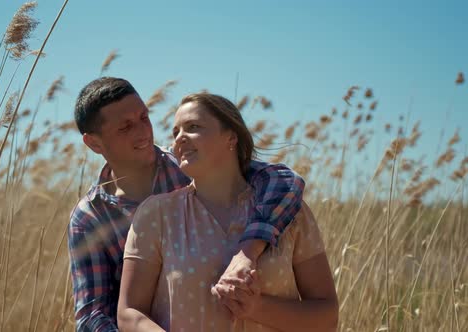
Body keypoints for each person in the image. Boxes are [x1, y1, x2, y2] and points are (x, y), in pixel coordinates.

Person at [68, 78, 305, 331]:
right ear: (94, 143)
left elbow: (284, 181)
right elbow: (92, 315)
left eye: (144, 118)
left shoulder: (189, 164)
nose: (144, 132)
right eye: (126, 128)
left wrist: (247, 251)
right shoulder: (89, 218)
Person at [117, 93, 338, 331]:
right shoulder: (157, 214)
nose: (179, 139)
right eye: (175, 132)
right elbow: (129, 314)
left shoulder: (290, 212)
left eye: (193, 127)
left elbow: (327, 317)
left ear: (231, 137)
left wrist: (256, 308)